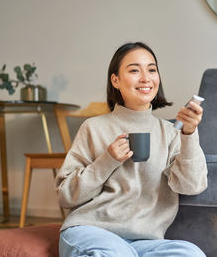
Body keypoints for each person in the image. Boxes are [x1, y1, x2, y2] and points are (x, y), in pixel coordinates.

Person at [55, 42, 208, 257]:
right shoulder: (94, 127)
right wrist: (107, 160)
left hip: (144, 242)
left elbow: (191, 186)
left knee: (191, 254)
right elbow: (65, 196)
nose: (146, 78)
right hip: (91, 230)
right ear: (115, 80)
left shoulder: (172, 132)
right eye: (135, 70)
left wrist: (189, 135)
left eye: (152, 70)